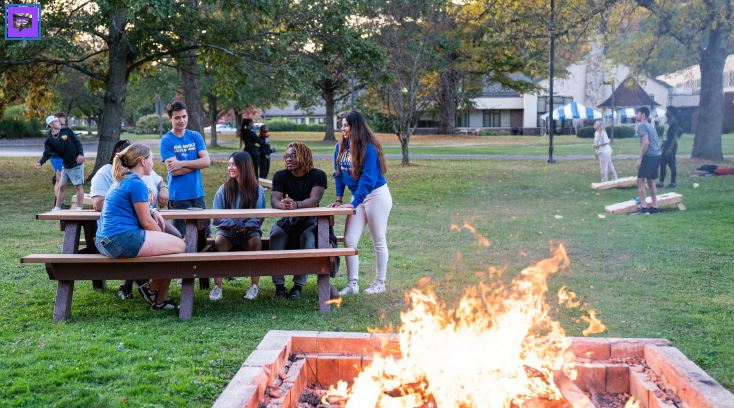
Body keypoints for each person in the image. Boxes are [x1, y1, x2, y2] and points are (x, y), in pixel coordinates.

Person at [95, 143, 185, 310]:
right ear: (143, 161)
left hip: (104, 241)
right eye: (151, 158)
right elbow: (146, 222)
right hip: (120, 240)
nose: (153, 162)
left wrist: (152, 210)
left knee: (170, 247)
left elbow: (137, 208)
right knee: (179, 246)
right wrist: (162, 236)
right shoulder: (136, 183)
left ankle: (160, 300)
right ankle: (150, 289)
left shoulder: (123, 179)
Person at [328, 111, 392, 296]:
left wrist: (354, 203)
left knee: (378, 239)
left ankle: (380, 283)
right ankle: (353, 284)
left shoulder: (369, 148)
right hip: (358, 198)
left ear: (356, 127)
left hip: (376, 195)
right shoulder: (340, 147)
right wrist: (339, 198)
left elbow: (368, 179)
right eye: (342, 124)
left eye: (346, 125)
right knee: (349, 240)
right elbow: (338, 173)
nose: (343, 128)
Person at [270, 142, 327, 299]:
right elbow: (274, 200)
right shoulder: (280, 175)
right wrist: (280, 204)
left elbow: (314, 200)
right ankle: (279, 286)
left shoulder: (318, 175)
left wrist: (296, 204)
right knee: (276, 235)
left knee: (308, 238)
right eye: (287, 156)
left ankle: (298, 286)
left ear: (304, 157)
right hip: (288, 220)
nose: (288, 159)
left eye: (293, 156)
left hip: (310, 221)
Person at [209, 151, 266, 301]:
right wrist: (232, 225)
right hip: (228, 231)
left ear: (244, 166)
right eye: (229, 165)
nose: (230, 168)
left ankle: (254, 286)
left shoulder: (257, 190)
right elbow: (217, 215)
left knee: (256, 242)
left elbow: (259, 215)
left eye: (233, 164)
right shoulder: (224, 189)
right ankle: (218, 287)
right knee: (219, 241)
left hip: (249, 231)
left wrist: (246, 227)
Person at [160, 101, 211, 235]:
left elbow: (206, 161)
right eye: (177, 117)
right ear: (170, 118)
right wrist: (197, 164)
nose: (181, 120)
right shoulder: (166, 140)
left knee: (203, 236)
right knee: (180, 237)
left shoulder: (195, 136)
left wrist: (182, 163)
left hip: (198, 194)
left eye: (184, 116)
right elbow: (175, 171)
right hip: (178, 198)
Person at [34, 115, 85, 211]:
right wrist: (40, 163)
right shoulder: (49, 140)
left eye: (58, 121)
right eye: (57, 121)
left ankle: (79, 208)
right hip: (65, 165)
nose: (59, 122)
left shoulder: (67, 131)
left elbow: (77, 143)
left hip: (76, 163)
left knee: (78, 186)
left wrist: (81, 154)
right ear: (51, 125)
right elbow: (47, 153)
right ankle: (57, 207)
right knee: (61, 186)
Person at [634, 106, 663, 214]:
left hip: (650, 156)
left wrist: (640, 158)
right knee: (650, 181)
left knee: (640, 181)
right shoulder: (650, 126)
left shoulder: (642, 125)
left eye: (637, 113)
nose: (636, 115)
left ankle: (644, 207)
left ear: (643, 115)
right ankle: (655, 207)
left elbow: (646, 143)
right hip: (657, 155)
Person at [657, 108, 681, 189]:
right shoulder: (667, 122)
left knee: (672, 164)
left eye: (667, 111)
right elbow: (665, 135)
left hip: (672, 145)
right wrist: (662, 145)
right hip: (666, 145)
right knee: (662, 163)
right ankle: (661, 182)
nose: (666, 113)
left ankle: (673, 183)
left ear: (671, 112)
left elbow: (675, 136)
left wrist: (671, 148)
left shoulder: (674, 122)